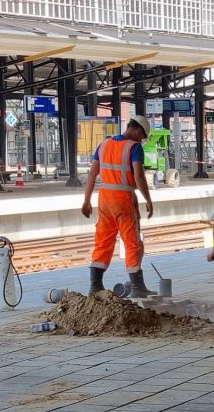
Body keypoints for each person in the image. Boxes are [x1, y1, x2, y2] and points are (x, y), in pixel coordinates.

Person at [81, 116, 156, 297]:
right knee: (132, 241)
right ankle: (138, 287)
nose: (141, 140)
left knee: (103, 239)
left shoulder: (104, 145)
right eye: (143, 137)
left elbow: (92, 174)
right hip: (123, 198)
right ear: (138, 131)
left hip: (104, 199)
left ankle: (95, 285)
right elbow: (138, 176)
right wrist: (148, 199)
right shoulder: (134, 147)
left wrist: (86, 200)